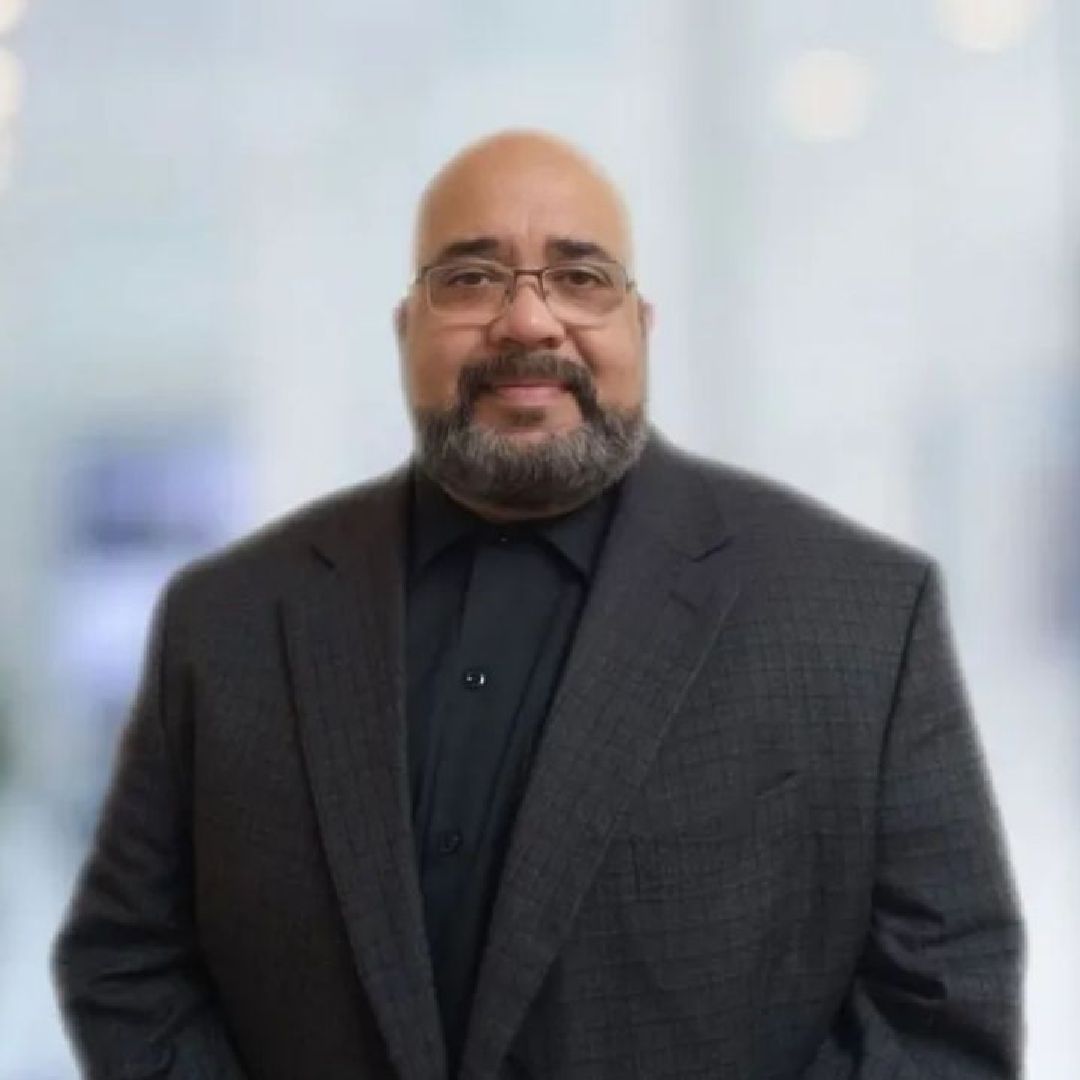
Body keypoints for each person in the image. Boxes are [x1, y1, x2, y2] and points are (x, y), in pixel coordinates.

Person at [52, 130, 1022, 1079]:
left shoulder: (861, 618)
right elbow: (128, 962)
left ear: (641, 327)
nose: (527, 324)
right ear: (406, 331)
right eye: (471, 278)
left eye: (581, 276)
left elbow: (940, 1010)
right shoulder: (225, 623)